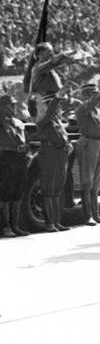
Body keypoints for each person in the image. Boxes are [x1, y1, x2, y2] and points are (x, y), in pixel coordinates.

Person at [74, 80, 100, 225]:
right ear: (86, 95)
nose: (96, 97)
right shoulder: (82, 109)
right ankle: (87, 216)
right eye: (92, 94)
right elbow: (90, 103)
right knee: (87, 182)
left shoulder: (98, 112)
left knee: (96, 183)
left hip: (98, 144)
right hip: (87, 144)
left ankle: (96, 214)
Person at [35, 85, 73, 232]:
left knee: (57, 189)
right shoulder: (43, 118)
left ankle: (57, 221)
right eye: (56, 105)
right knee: (48, 190)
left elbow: (63, 136)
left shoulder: (57, 120)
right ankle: (49, 222)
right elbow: (51, 111)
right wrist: (57, 97)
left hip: (60, 154)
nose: (59, 107)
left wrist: (68, 144)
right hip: (49, 153)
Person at [0, 93, 30, 237]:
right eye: (9, 105)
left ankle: (16, 225)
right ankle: (6, 226)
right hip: (6, 157)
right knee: (6, 193)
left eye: (13, 104)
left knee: (19, 191)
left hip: (20, 157)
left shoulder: (17, 122)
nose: (12, 107)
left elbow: (24, 139)